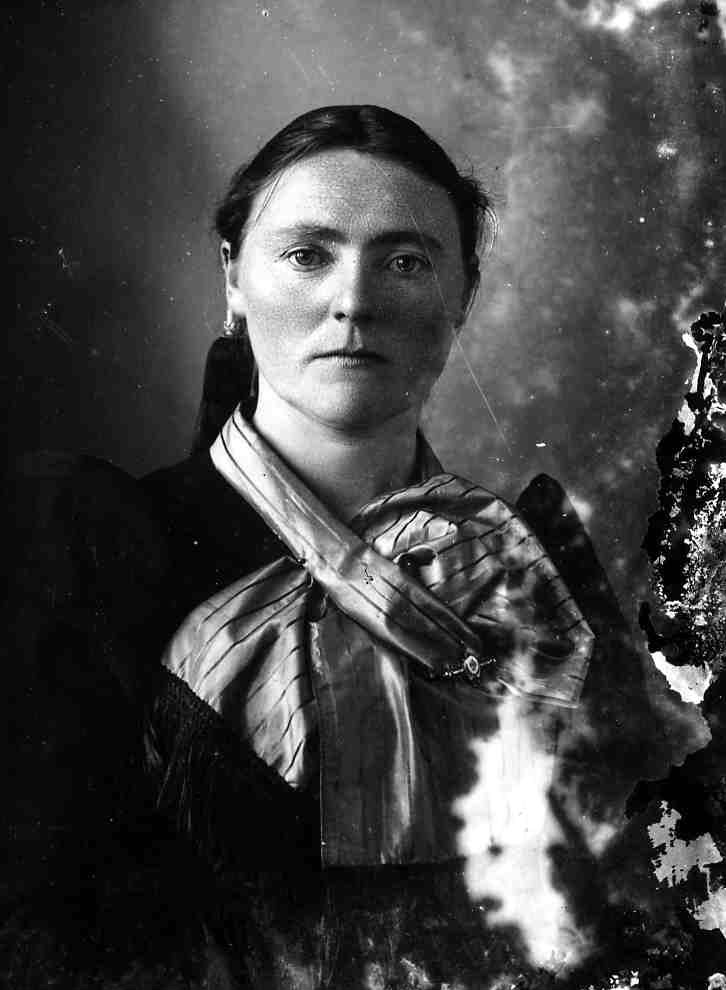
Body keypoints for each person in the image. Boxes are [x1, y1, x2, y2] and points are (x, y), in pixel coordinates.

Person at [3, 106, 671, 989]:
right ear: (233, 278)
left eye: (405, 261)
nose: (353, 301)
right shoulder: (92, 546)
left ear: (463, 296)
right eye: (307, 255)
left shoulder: (531, 571)